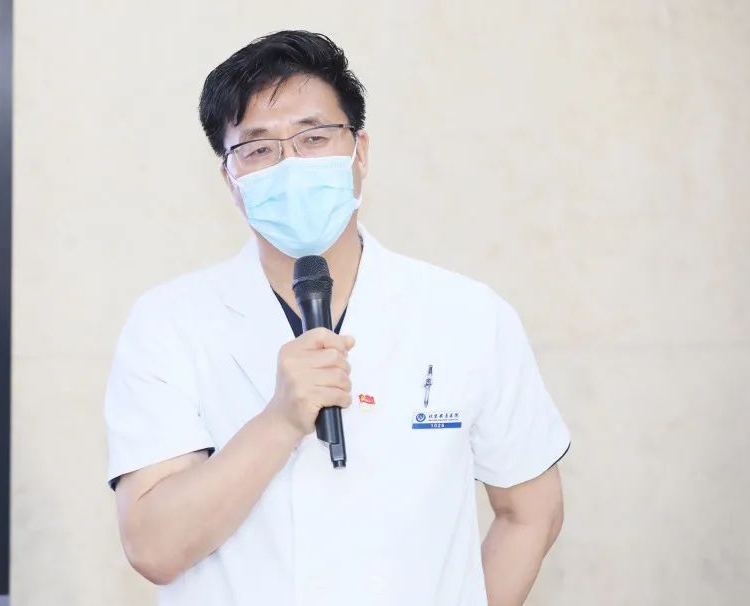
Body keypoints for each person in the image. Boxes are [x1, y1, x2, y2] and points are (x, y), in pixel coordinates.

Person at [105, 30, 570, 606]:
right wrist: (279, 421)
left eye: (313, 138)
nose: (289, 165)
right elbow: (154, 547)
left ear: (359, 152)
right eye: (258, 149)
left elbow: (532, 513)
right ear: (231, 179)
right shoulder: (169, 324)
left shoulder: (467, 315)